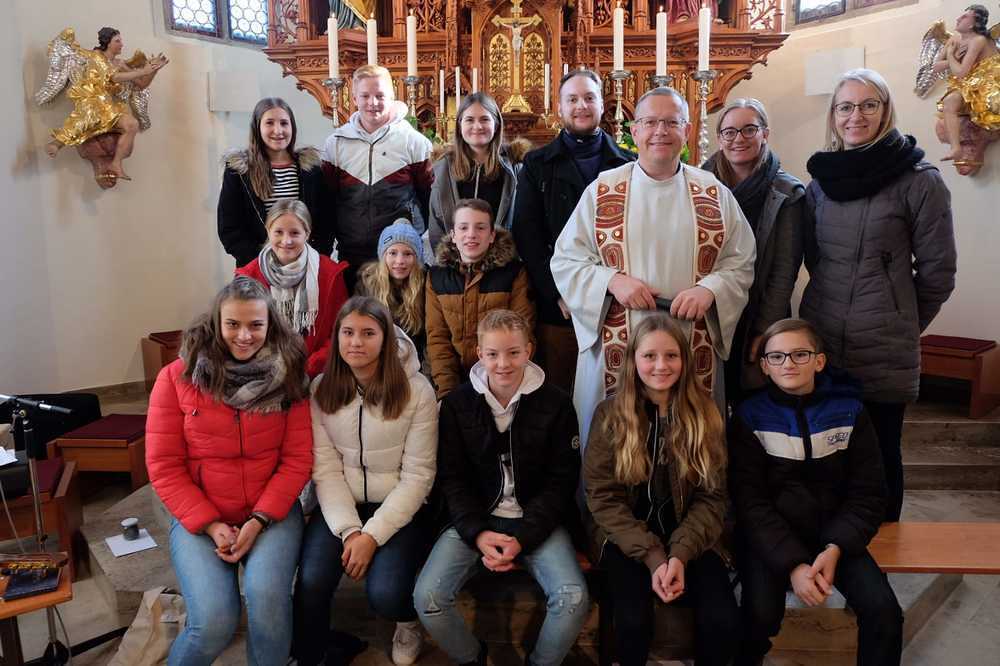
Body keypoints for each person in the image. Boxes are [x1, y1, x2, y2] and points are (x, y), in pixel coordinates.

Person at [551, 87, 756, 444]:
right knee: (616, 447)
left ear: (687, 130)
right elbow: (567, 259)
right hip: (619, 338)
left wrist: (710, 290)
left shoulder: (713, 192)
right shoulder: (603, 190)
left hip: (692, 339)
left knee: (689, 444)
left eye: (671, 122)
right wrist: (611, 281)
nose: (660, 131)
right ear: (634, 132)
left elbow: (740, 261)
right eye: (650, 122)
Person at [802, 68, 957, 521]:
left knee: (881, 457)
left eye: (869, 105)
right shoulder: (821, 181)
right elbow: (818, 259)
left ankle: (881, 561)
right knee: (829, 456)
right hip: (824, 335)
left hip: (885, 344)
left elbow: (938, 273)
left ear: (886, 111)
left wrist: (900, 319)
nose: (856, 116)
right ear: (833, 116)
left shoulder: (919, 180)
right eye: (845, 106)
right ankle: (834, 552)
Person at [145, 276, 312, 665]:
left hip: (271, 513)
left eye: (255, 325)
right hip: (202, 516)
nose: (244, 336)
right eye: (233, 324)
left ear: (270, 324)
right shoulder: (176, 378)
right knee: (215, 621)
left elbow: (297, 459)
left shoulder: (290, 376)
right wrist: (209, 524)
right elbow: (164, 465)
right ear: (216, 324)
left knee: (269, 602)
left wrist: (259, 520)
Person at [415, 310, 587, 666]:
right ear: (479, 354)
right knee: (428, 598)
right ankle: (474, 657)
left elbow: (560, 483)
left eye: (513, 352)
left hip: (536, 521)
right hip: (476, 520)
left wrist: (522, 537)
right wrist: (478, 534)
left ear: (529, 350)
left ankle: (540, 662)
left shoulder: (556, 403)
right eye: (492, 354)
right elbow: (453, 480)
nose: (503, 363)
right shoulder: (458, 405)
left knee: (573, 598)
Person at [729, 318, 901, 665]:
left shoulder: (850, 412)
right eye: (776, 357)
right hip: (772, 539)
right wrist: (793, 565)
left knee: (884, 612)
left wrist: (836, 548)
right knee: (759, 614)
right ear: (764, 366)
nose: (788, 363)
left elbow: (869, 493)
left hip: (836, 538)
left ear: (819, 361)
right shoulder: (749, 417)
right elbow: (750, 503)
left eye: (800, 354)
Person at [583, 314, 739, 666]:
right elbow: (603, 497)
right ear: (633, 360)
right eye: (649, 356)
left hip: (691, 537)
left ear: (684, 361)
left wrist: (679, 556)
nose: (660, 366)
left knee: (722, 621)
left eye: (671, 356)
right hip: (624, 538)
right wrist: (654, 558)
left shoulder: (705, 414)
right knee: (632, 621)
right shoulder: (610, 414)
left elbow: (712, 497)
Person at [293, 297, 437, 666]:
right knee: (310, 582)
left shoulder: (417, 390)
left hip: (398, 504)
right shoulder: (322, 390)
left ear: (387, 339)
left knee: (387, 593)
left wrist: (372, 536)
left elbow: (418, 476)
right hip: (342, 502)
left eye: (368, 333)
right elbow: (325, 470)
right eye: (348, 332)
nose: (356, 342)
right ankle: (312, 655)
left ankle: (407, 621)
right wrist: (350, 532)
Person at [512, 69, 634, 393]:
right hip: (560, 306)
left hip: (619, 301)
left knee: (617, 395)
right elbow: (527, 234)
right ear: (560, 108)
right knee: (562, 392)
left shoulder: (629, 164)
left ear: (603, 105)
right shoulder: (537, 164)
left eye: (589, 97)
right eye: (573, 99)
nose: (581, 105)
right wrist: (558, 292)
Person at [702, 98, 805, 405]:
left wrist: (765, 329)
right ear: (719, 138)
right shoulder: (700, 184)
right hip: (710, 309)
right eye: (729, 132)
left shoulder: (787, 193)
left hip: (758, 312)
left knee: (752, 402)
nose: (739, 139)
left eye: (749, 129)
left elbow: (784, 271)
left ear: (765, 133)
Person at [323, 65, 434, 290]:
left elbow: (429, 197)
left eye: (380, 96)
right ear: (354, 98)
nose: (372, 103)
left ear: (392, 97)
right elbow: (328, 198)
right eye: (365, 96)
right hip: (352, 251)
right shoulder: (336, 142)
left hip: (398, 256)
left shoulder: (414, 141)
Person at [426, 198, 535, 398]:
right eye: (463, 228)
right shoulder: (437, 277)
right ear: (453, 235)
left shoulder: (513, 273)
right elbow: (438, 339)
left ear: (492, 235)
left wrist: (501, 389)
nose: (471, 235)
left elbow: (523, 331)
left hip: (502, 380)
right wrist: (448, 394)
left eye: (480, 227)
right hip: (457, 382)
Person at [236, 199, 349, 377]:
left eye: (295, 233)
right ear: (268, 231)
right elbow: (242, 332)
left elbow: (342, 330)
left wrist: (308, 367)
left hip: (317, 373)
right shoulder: (248, 276)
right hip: (263, 372)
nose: (286, 241)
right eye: (278, 232)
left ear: (307, 233)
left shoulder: (331, 275)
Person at [218, 97, 334, 268]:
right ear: (258, 127)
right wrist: (261, 262)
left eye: (284, 123)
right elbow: (229, 227)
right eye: (269, 123)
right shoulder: (239, 172)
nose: (278, 130)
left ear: (292, 127)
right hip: (256, 267)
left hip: (305, 266)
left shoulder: (311, 169)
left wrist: (313, 257)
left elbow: (326, 221)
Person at [43, 26, 168, 185]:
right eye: (118, 41)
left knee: (132, 124)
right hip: (93, 99)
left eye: (121, 41)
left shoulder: (120, 63)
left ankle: (116, 163)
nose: (122, 44)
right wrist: (143, 70)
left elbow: (141, 84)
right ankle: (56, 144)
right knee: (86, 119)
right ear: (107, 42)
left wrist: (153, 70)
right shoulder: (97, 57)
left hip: (110, 105)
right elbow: (114, 77)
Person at [428, 92, 527, 250]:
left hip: (504, 263)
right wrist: (447, 263)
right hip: (456, 263)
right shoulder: (443, 168)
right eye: (469, 120)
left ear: (496, 125)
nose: (477, 126)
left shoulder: (515, 166)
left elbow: (524, 220)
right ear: (460, 126)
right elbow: (436, 225)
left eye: (485, 119)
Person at [932, 5, 1000, 161]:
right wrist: (953, 58)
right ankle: (955, 148)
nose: (958, 19)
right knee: (949, 102)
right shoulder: (954, 39)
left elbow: (961, 71)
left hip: (987, 82)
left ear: (973, 24)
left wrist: (950, 56)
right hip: (967, 82)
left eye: (964, 17)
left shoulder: (979, 40)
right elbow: (936, 67)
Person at [357, 220, 428, 357]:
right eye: (393, 253)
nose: (400, 260)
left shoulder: (425, 284)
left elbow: (429, 337)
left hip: (414, 361)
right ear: (383, 256)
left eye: (407, 254)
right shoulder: (367, 285)